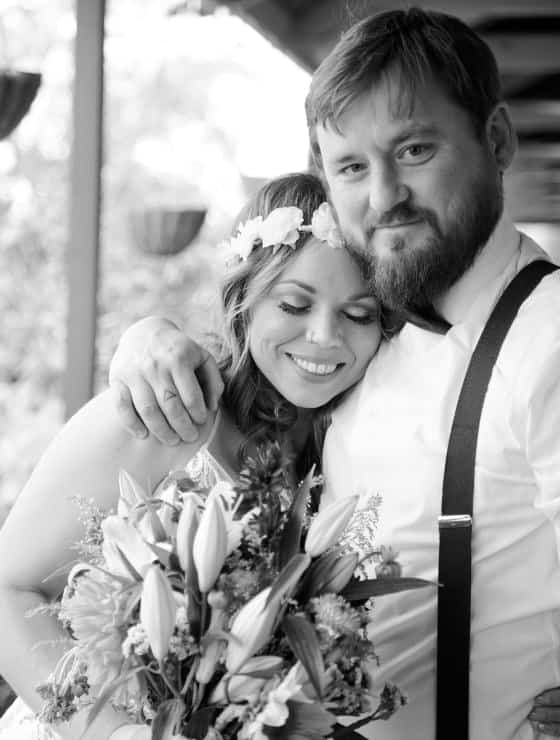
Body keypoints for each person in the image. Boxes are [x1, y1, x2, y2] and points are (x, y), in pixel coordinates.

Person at [108, 7, 560, 740]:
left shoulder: (548, 337)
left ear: (498, 140)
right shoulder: (369, 325)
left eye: (414, 150)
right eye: (352, 166)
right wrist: (146, 335)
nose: (382, 197)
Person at [0, 172, 383, 740]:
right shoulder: (165, 409)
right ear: (244, 299)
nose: (325, 336)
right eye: (295, 304)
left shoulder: (351, 435)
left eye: (359, 314)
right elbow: (6, 592)